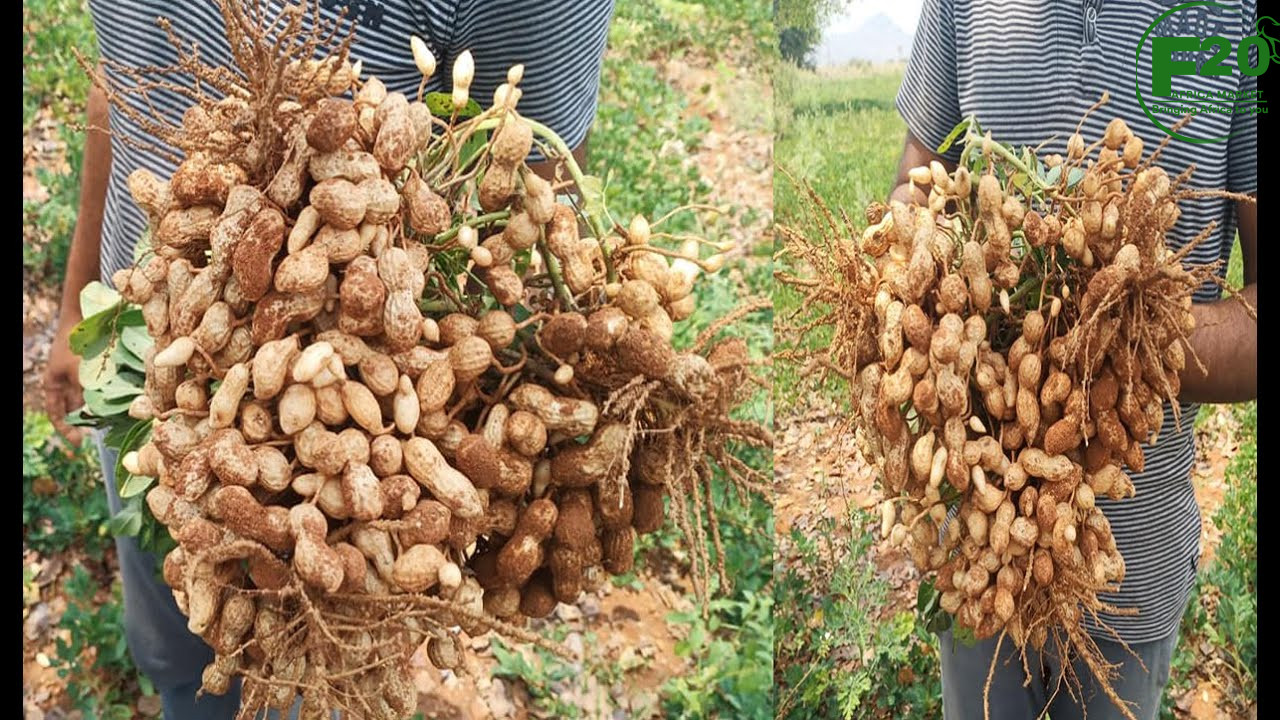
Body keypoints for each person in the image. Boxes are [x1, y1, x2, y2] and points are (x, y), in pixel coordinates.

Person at [41, 2, 615, 717]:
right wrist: (75, 306)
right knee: (174, 638)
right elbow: (121, 82)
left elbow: (529, 192)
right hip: (151, 377)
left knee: (302, 676)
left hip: (359, 444)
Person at [891, 2, 1257, 719]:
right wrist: (928, 283)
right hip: (976, 556)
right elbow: (916, 181)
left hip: (1130, 575)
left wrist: (1120, 341)